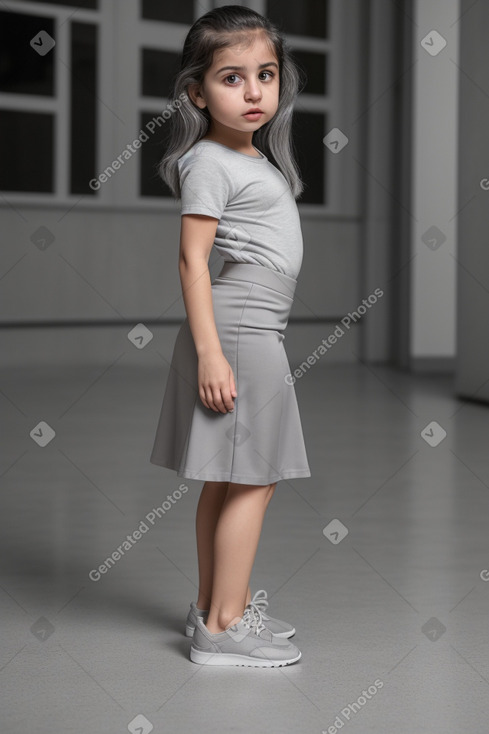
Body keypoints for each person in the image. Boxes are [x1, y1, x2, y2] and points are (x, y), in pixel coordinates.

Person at [150, 5, 311, 667]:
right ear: (195, 91)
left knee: (226, 477)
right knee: (255, 480)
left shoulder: (248, 156)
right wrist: (213, 352)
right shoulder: (208, 161)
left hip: (250, 323)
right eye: (231, 77)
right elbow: (191, 260)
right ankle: (223, 627)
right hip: (240, 329)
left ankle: (216, 609)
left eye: (265, 75)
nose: (252, 91)